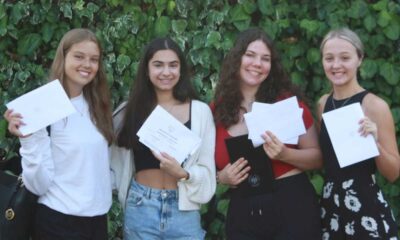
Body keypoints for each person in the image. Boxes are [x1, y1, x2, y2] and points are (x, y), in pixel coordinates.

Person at [212, 27, 323, 239]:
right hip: (244, 208)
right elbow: (202, 166)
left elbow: (318, 157)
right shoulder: (215, 110)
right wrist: (221, 177)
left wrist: (286, 155)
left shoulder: (287, 104)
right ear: (237, 59)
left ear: (271, 66)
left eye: (265, 58)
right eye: (250, 55)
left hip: (292, 203)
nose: (257, 64)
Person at [4, 28, 114, 240]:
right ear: (63, 58)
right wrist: (27, 139)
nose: (87, 65)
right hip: (58, 221)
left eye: (94, 59)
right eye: (79, 56)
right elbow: (37, 184)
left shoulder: (98, 107)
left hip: (97, 220)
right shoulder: (42, 107)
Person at [110, 37, 216, 239]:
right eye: (158, 65)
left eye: (173, 65)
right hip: (141, 205)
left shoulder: (200, 112)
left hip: (184, 209)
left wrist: (184, 173)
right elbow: (106, 154)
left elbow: (207, 168)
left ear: (181, 70)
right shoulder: (128, 111)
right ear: (147, 70)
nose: (166, 72)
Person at [318, 27, 400, 239]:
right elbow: (322, 158)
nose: (336, 65)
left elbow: (393, 173)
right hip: (331, 206)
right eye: (329, 58)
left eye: (345, 58)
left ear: (359, 59)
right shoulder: (323, 104)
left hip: (366, 206)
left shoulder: (374, 106)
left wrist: (375, 144)